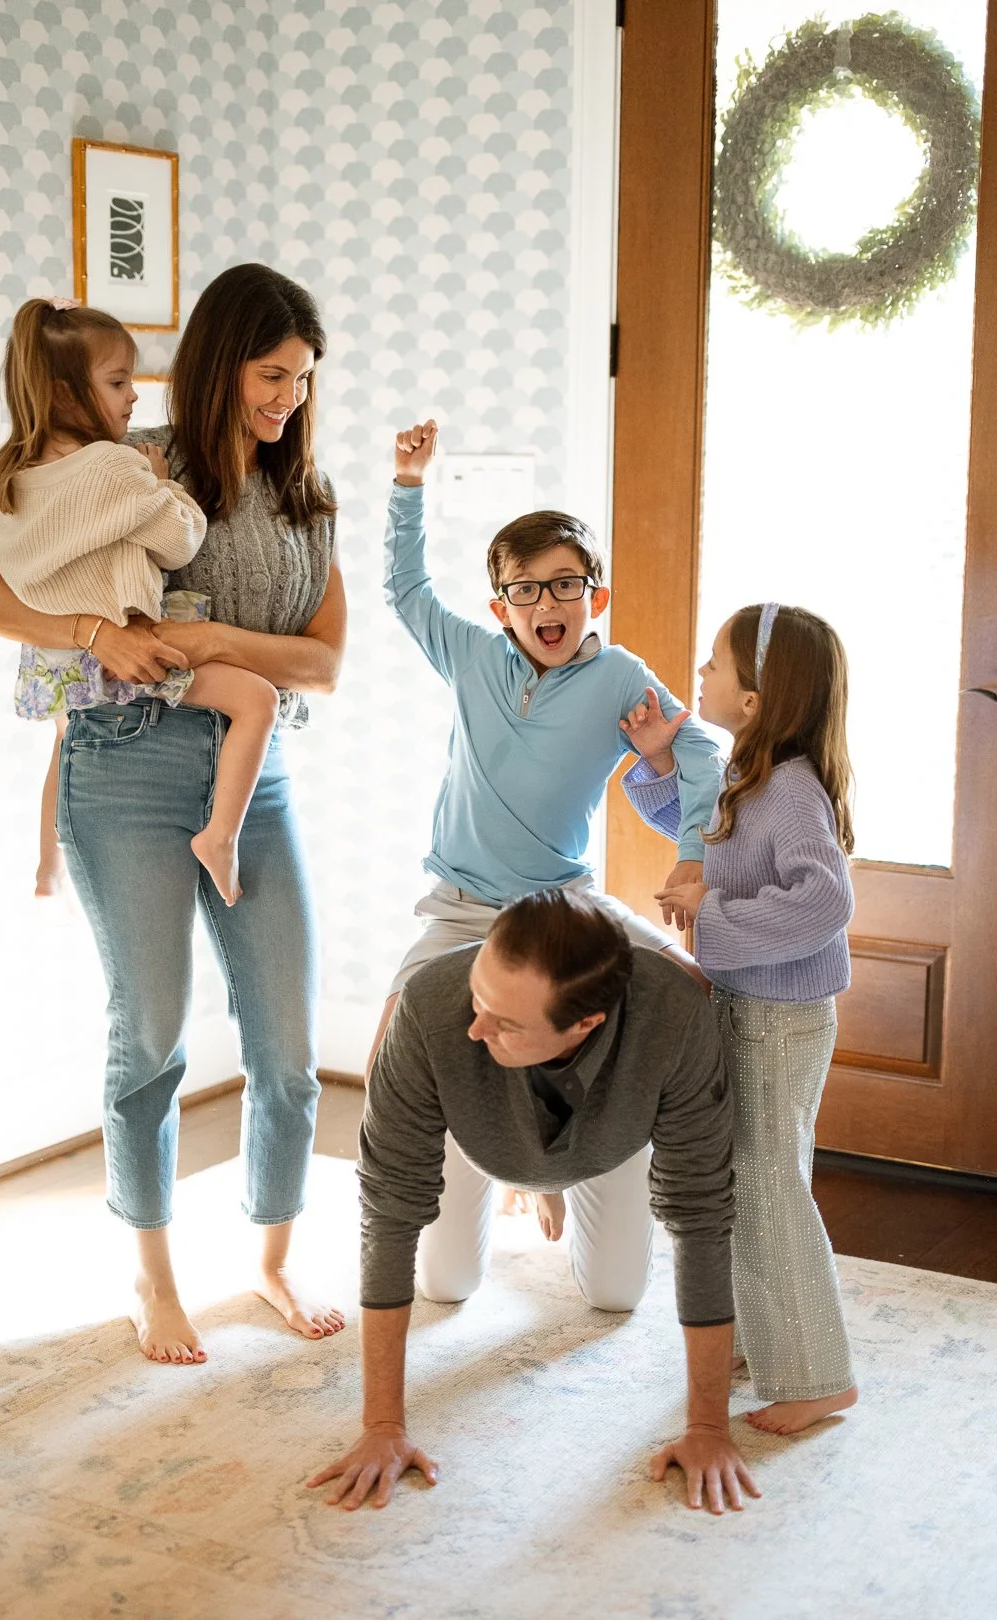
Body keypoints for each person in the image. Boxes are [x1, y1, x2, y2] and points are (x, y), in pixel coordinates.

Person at [0, 264, 347, 1362]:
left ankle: (271, 1259)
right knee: (154, 1039)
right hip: (123, 769)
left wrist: (219, 644)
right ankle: (152, 1275)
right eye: (274, 374)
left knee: (286, 1048)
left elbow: (323, 662)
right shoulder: (135, 462)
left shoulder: (307, 499)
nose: (288, 398)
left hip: (251, 776)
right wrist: (93, 636)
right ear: (224, 363)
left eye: (304, 380)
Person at [370, 418, 723, 1223]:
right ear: (502, 608)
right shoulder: (469, 655)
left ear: (595, 596)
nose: (546, 602)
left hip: (563, 907)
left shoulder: (620, 677)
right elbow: (405, 590)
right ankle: (406, 1216)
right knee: (391, 1042)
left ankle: (589, 1160)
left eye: (565, 584)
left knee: (693, 984)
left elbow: (700, 749)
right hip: (461, 907)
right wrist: (407, 484)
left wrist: (694, 855)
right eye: (525, 589)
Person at [309, 888, 759, 1513]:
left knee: (615, 1295)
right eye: (478, 996)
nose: (475, 1026)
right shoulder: (431, 1007)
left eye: (506, 1022)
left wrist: (709, 1427)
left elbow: (702, 1212)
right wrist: (382, 1427)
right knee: (447, 1282)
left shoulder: (677, 1017)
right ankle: (521, 1177)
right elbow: (389, 1207)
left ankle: (551, 1181)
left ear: (584, 1024)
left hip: (610, 1143)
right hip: (475, 1136)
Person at [623, 602, 857, 1435]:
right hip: (754, 1006)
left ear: (755, 698)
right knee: (753, 1179)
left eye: (715, 666)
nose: (701, 676)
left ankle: (816, 1376)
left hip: (779, 1018)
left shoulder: (789, 789)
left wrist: (712, 912)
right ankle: (771, 1334)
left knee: (766, 1187)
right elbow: (694, 827)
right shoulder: (743, 774)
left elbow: (826, 901)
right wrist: (656, 760)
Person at [0, 295, 284, 908]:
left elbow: (13, 571)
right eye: (119, 381)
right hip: (133, 652)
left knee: (67, 740)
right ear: (67, 394)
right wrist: (161, 482)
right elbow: (180, 541)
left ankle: (49, 861)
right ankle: (222, 838)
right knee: (258, 700)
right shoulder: (114, 467)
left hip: (61, 658)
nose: (133, 396)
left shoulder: (16, 475)